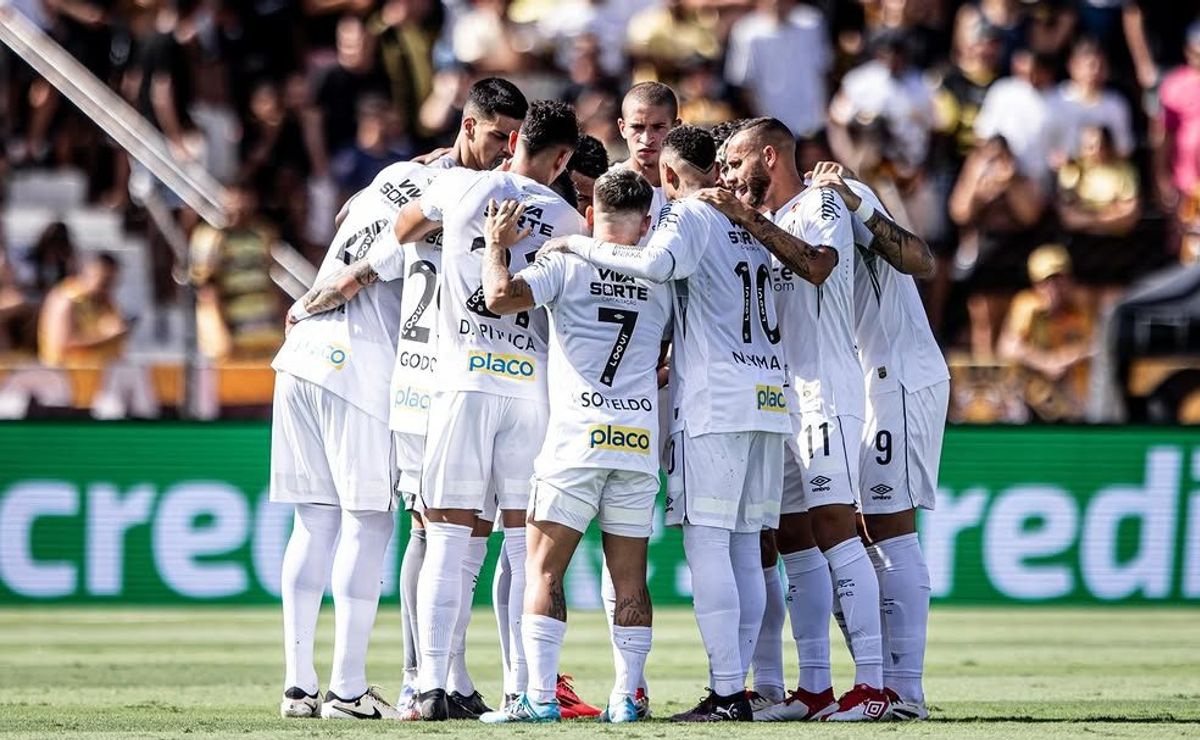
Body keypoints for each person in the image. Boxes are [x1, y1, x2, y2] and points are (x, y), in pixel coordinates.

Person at [271, 77, 528, 722]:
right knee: (368, 522)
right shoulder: (451, 195)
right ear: (467, 126)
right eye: (498, 136)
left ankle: (299, 685)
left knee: (315, 522)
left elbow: (343, 217)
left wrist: (307, 305)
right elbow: (367, 269)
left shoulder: (394, 173)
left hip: (300, 360)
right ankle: (348, 689)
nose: (507, 150)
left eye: (514, 140)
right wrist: (315, 297)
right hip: (353, 360)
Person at [545, 124, 795, 722]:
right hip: (767, 393)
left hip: (716, 399)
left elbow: (655, 265)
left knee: (709, 543)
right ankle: (757, 686)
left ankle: (728, 693)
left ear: (669, 175)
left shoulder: (692, 212)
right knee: (746, 547)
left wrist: (575, 245)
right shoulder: (750, 217)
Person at [389, 99, 587, 721]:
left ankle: (429, 686)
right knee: (520, 545)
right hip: (530, 389)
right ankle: (520, 689)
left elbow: (401, 231)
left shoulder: (460, 185)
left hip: (464, 381)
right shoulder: (566, 218)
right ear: (560, 159)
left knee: (447, 536)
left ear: (515, 140)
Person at [712, 118, 890, 721]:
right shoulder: (772, 219)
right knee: (793, 540)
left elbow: (818, 266)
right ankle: (814, 687)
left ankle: (872, 685)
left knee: (838, 527)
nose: (730, 177)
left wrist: (746, 219)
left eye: (736, 164)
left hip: (826, 393)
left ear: (769, 156)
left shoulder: (818, 201)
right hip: (780, 399)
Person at [477, 170, 671, 724]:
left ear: (589, 216)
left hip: (576, 439)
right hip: (636, 441)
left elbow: (499, 298)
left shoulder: (566, 260)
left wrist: (496, 246)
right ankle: (627, 697)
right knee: (631, 577)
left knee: (543, 570)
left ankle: (538, 697)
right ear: (648, 223)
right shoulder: (663, 278)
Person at [805, 161, 947, 721]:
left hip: (900, 373)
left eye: (738, 163)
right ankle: (881, 685)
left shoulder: (841, 196)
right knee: (859, 528)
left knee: (890, 524)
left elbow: (922, 260)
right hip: (860, 381)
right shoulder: (787, 212)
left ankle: (905, 691)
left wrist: (854, 199)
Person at [997, 244, 1095, 422]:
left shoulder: (1079, 310)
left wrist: (1064, 358)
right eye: (1046, 281)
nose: (1053, 287)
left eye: (1059, 280)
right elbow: (1007, 347)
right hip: (1033, 395)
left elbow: (1094, 347)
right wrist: (1045, 362)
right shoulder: (1027, 306)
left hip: (1071, 396)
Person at [611, 83, 680, 245]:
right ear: (622, 128)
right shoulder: (604, 184)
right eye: (637, 127)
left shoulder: (692, 190)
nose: (647, 139)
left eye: (658, 127)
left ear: (676, 128)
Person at [37, 252, 128, 369]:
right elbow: (63, 345)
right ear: (89, 274)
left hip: (101, 377)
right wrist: (106, 335)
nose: (108, 288)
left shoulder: (105, 302)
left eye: (113, 282)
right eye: (105, 282)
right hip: (71, 378)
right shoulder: (67, 299)